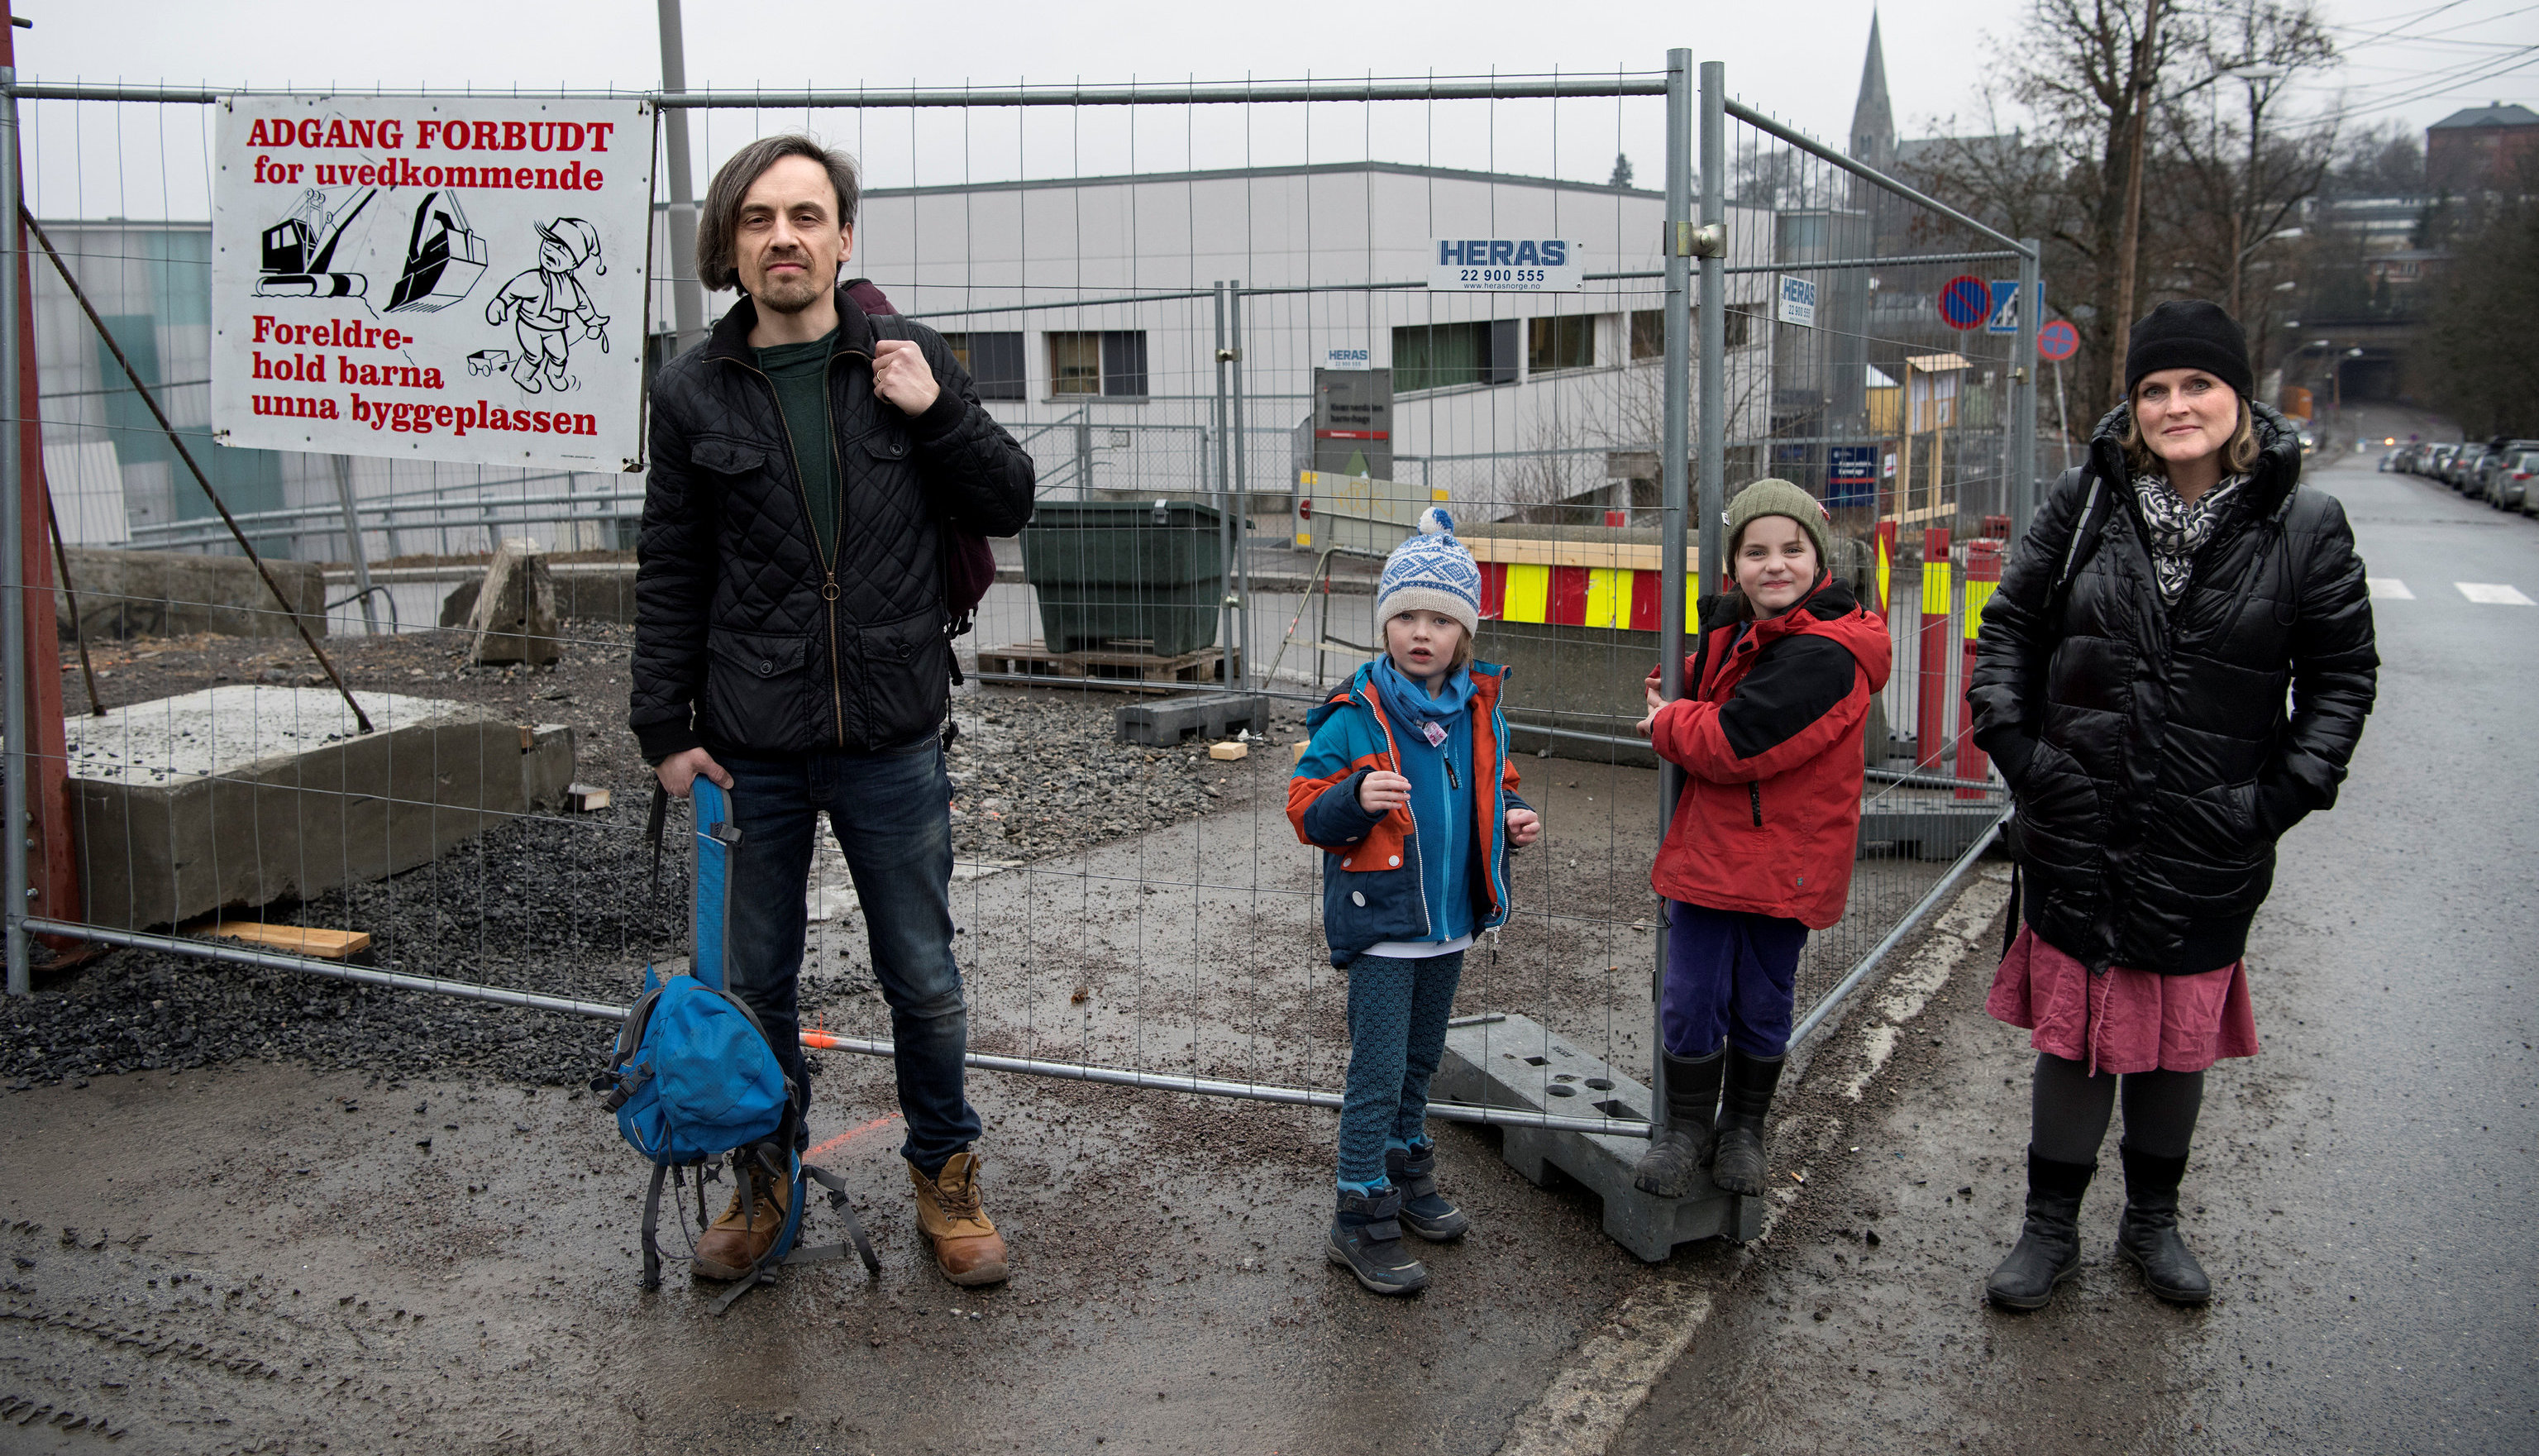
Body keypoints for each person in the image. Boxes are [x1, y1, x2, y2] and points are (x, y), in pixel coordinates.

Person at [631, 135, 1036, 1287]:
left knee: (924, 979)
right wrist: (663, 730)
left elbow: (1008, 499)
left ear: (844, 237)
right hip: (749, 747)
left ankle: (945, 1183)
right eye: (759, 219)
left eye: (806, 216)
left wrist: (935, 412)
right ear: (732, 245)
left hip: (892, 739)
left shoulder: (903, 361)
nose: (784, 238)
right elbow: (669, 570)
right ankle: (766, 1185)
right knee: (752, 983)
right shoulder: (691, 389)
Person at [1969, 299, 2377, 1310]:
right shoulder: (2084, 503)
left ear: (2236, 397)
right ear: (2132, 403)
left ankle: (2151, 1224)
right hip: (2076, 818)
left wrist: (2272, 799)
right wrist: (2024, 758)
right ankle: (2046, 1232)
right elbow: (2008, 631)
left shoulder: (2303, 524)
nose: (2172, 405)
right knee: (2074, 1034)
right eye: (2152, 388)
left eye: (2195, 384)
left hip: (2208, 836)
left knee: (2170, 1036)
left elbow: (2340, 681)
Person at [1286, 509, 1540, 1296]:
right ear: (1384, 624)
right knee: (1378, 1066)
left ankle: (1404, 1170)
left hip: (1449, 926)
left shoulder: (1478, 710)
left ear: (1463, 631)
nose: (1419, 632)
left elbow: (1491, 786)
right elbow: (1303, 806)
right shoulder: (1353, 713)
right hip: (1386, 926)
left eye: (1437, 618)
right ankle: (1358, 1212)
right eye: (1403, 616)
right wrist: (1355, 797)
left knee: (1420, 1060)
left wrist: (1509, 821)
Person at [1627, 480, 1893, 1201]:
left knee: (1762, 996)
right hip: (1716, 854)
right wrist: (1677, 684)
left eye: (1791, 549)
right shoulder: (1741, 629)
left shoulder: (1829, 655)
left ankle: (1743, 1128)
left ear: (1819, 558)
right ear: (1735, 564)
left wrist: (1667, 721)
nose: (1773, 565)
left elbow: (1737, 740)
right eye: (1754, 551)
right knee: (1688, 994)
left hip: (1787, 863)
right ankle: (1685, 1128)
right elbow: (1706, 684)